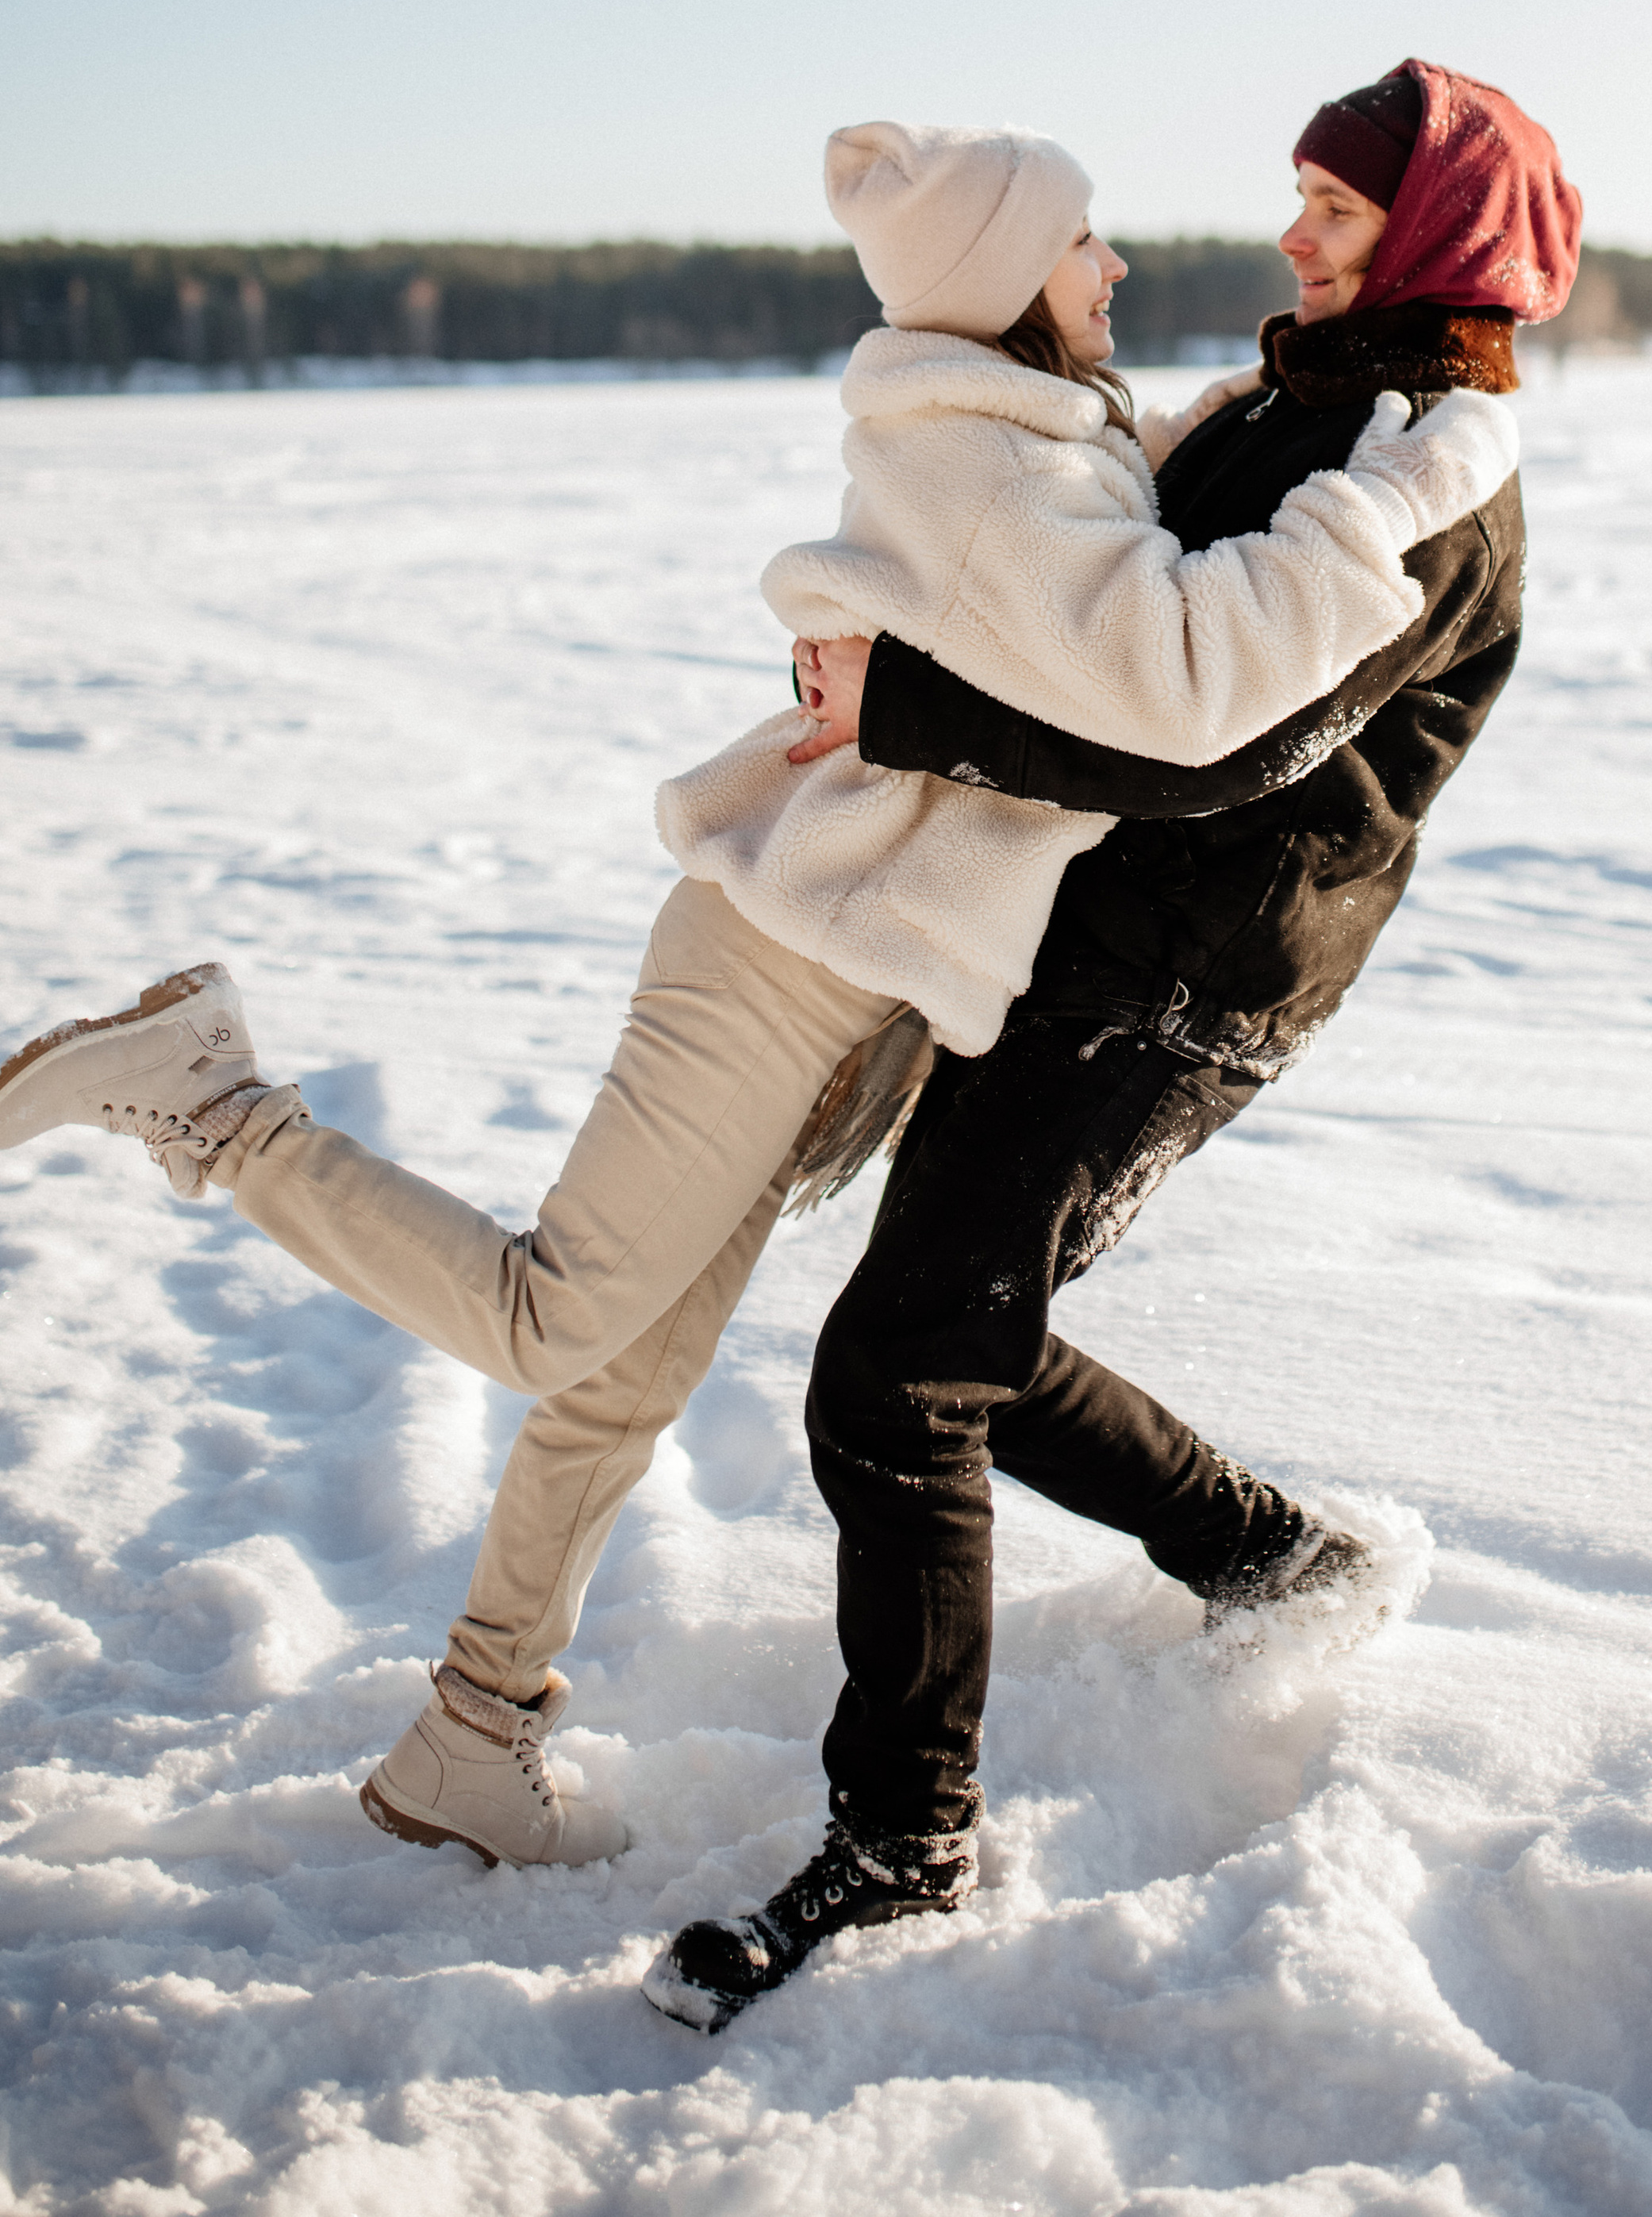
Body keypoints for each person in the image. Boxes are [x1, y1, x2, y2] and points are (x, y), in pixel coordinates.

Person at [0, 117, 1519, 1876]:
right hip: (785, 960)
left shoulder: (1035, 430)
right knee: (555, 1327)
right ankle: (211, 1102)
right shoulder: (986, 468)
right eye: (1081, 240)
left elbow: (1123, 551)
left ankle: (471, 1743)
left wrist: (1230, 435)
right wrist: (1397, 492)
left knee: (624, 1376)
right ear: (1006, 280)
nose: (1115, 267)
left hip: (851, 968)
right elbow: (1176, 683)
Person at [654, 58, 1580, 2031]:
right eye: (1301, 197)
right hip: (1091, 938)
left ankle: (905, 1840)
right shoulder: (1287, 406)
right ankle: (1270, 1559)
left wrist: (904, 714)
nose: (1289, 233)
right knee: (955, 1333)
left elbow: (1214, 743)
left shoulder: (1430, 480)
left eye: (1333, 210)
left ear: (1426, 242)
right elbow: (1090, 618)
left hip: (1197, 980)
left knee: (899, 1372)